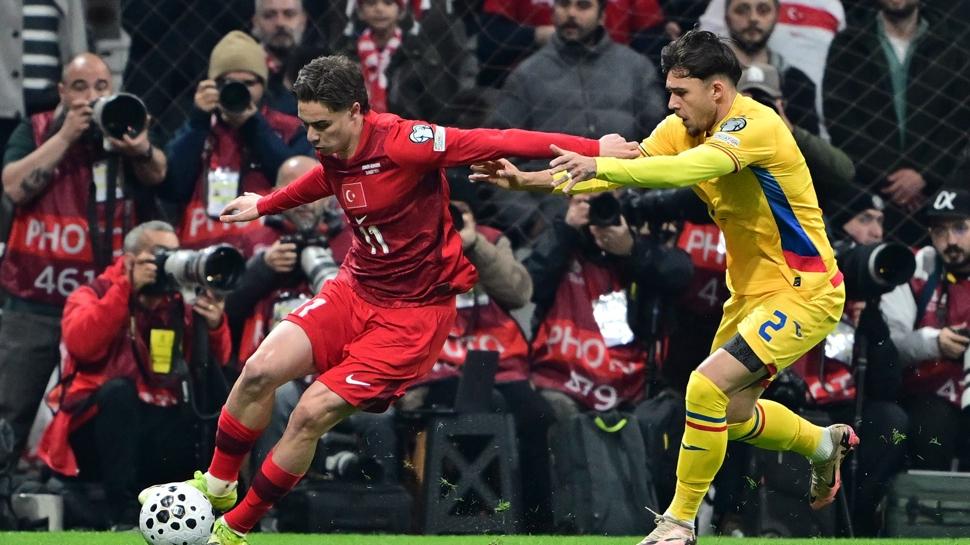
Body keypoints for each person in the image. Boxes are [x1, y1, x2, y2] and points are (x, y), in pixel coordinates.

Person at [139, 54, 638, 545]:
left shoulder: (407, 143)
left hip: (412, 317)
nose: (311, 136)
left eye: (322, 125)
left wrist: (595, 149)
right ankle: (218, 485)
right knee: (258, 371)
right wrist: (266, 203)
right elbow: (329, 177)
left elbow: (498, 140)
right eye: (306, 124)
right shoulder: (335, 145)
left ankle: (235, 529)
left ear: (356, 111)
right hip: (355, 287)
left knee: (309, 413)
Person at [471, 30, 855, 545]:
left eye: (680, 92)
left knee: (704, 387)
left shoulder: (756, 125)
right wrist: (527, 180)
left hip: (804, 290)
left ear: (716, 90)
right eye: (669, 92)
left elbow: (686, 170)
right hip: (749, 295)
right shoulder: (683, 127)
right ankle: (822, 445)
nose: (671, 103)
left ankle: (678, 523)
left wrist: (599, 163)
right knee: (732, 414)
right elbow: (628, 170)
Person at [0, 52, 166, 463]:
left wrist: (139, 147)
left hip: (100, 304)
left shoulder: (124, 126)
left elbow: (160, 174)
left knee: (100, 405)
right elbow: (13, 187)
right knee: (10, 410)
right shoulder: (37, 128)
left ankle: (82, 489)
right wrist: (65, 137)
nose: (91, 97)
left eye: (100, 87)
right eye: (79, 87)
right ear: (61, 92)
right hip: (34, 298)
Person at [36, 221, 230, 528]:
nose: (168, 261)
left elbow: (215, 363)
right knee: (119, 393)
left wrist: (215, 325)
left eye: (174, 252)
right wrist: (126, 288)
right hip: (96, 431)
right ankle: (122, 515)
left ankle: (220, 508)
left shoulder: (179, 303)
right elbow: (83, 346)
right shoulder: (94, 292)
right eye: (160, 253)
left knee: (211, 405)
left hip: (157, 425)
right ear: (129, 261)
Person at [824, 0, 970, 245]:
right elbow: (840, 120)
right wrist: (893, 178)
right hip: (869, 197)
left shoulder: (953, 43)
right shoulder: (849, 43)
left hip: (942, 197)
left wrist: (924, 174)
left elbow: (960, 120)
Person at [161, 30, 312, 252]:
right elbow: (173, 187)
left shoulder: (288, 129)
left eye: (248, 83)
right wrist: (198, 120)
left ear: (263, 85)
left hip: (270, 256)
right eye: (228, 83)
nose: (238, 90)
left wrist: (253, 125)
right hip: (202, 255)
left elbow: (297, 185)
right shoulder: (198, 128)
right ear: (212, 85)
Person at [882, 186, 970, 471]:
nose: (950, 240)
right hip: (926, 394)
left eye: (960, 228)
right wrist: (935, 343)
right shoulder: (915, 268)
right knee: (931, 425)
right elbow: (891, 345)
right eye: (940, 231)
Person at [475, 0, 666, 87]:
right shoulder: (524, 75)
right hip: (538, 81)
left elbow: (651, 42)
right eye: (564, 4)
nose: (572, 13)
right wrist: (541, 35)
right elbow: (490, 41)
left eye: (583, 5)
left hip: (614, 81)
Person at [250, 0, 309, 116]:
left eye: (289, 14)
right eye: (269, 15)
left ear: (303, 21)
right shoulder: (246, 72)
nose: (280, 23)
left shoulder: (321, 70)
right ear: (256, 22)